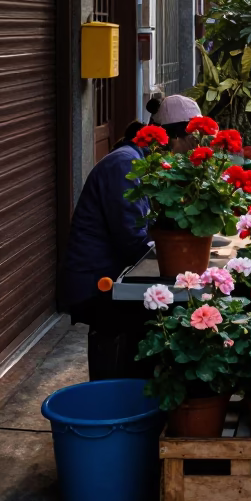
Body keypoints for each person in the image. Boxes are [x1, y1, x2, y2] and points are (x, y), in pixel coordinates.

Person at [59, 93, 203, 379]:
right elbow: (133, 241)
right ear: (171, 139)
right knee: (175, 315)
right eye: (191, 143)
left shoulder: (144, 164)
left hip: (119, 276)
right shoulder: (124, 165)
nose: (192, 152)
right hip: (96, 286)